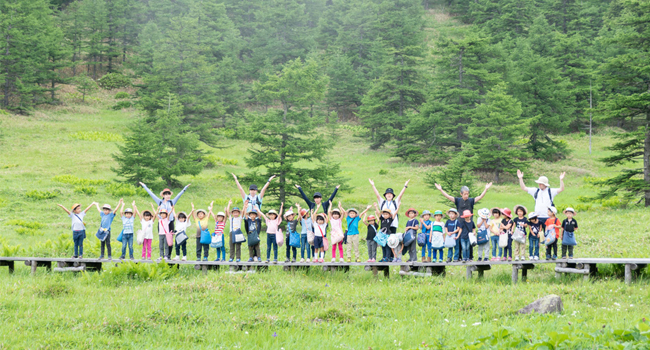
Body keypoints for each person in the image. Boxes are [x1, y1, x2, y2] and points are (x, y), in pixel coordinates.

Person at [434, 182, 492, 261]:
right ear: (461, 194)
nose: (466, 195)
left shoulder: (471, 200)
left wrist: (486, 189)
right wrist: (441, 190)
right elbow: (448, 197)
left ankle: (470, 257)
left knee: (470, 239)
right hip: (460, 223)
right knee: (460, 240)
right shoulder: (457, 200)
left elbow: (480, 197)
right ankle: (459, 257)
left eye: (467, 194)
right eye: (465, 194)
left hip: (469, 223)